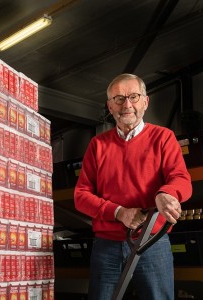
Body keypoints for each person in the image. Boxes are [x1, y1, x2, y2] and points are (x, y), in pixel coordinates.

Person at [74, 73, 192, 300]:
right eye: (118, 98)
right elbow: (81, 195)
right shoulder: (97, 145)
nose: (126, 105)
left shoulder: (163, 138)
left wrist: (165, 194)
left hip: (152, 242)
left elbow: (181, 179)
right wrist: (119, 213)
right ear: (110, 106)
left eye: (133, 97)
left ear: (145, 102)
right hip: (106, 246)